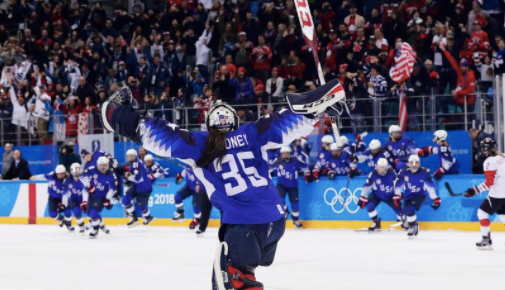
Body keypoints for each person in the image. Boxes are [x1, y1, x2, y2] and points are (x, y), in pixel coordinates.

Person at [98, 81, 344, 289]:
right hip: (275, 222)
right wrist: (315, 110)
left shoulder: (199, 143)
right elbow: (286, 123)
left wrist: (120, 116)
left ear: (209, 124)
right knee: (233, 275)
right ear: (235, 121)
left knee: (236, 281)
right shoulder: (252, 133)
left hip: (244, 225)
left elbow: (159, 135)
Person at [464, 138, 505, 250]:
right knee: (504, 215)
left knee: (481, 213)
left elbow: (489, 183)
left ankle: (486, 239)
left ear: (484, 149)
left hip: (497, 194)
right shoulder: (504, 156)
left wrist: (475, 190)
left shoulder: (489, 161)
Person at [394, 155, 441, 239]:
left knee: (410, 210)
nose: (414, 165)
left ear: (419, 163)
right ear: (408, 163)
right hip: (408, 195)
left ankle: (411, 226)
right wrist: (397, 195)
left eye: (417, 163)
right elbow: (397, 185)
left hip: (420, 195)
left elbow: (430, 187)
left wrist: (435, 198)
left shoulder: (424, 173)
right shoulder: (403, 172)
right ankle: (415, 224)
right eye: (412, 163)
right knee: (407, 212)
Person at [358, 158, 404, 231]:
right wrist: (362, 196)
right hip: (376, 195)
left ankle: (402, 222)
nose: (381, 169)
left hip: (390, 195)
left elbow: (397, 185)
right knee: (369, 207)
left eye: (382, 167)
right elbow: (366, 186)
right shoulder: (373, 173)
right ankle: (376, 222)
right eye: (380, 167)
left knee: (400, 212)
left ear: (386, 167)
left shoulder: (392, 173)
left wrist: (398, 195)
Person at [269, 146, 308, 229]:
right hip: (281, 185)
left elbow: (305, 167)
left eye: (287, 153)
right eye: (284, 153)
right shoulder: (278, 161)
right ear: (281, 154)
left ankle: (296, 221)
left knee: (295, 204)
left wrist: (307, 172)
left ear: (290, 154)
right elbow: (269, 168)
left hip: (293, 186)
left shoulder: (295, 161)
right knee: (279, 199)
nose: (285, 155)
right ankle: (286, 211)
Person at [30, 165, 74, 231]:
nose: (60, 175)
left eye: (62, 173)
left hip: (63, 198)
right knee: (52, 214)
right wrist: (35, 177)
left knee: (67, 212)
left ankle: (69, 225)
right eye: (59, 174)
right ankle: (62, 219)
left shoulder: (68, 180)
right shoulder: (52, 175)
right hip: (52, 198)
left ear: (65, 173)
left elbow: (66, 194)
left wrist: (63, 204)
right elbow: (44, 176)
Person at [80, 156, 116, 239]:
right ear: (97, 165)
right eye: (101, 165)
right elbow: (82, 176)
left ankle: (95, 229)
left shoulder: (111, 174)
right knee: (88, 214)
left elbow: (113, 189)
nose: (103, 167)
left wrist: (107, 198)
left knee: (93, 213)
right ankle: (102, 226)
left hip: (101, 197)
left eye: (104, 165)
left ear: (107, 165)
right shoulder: (92, 169)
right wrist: (88, 186)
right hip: (92, 196)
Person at [122, 149, 155, 227]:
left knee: (140, 205)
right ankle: (134, 218)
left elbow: (138, 179)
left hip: (144, 188)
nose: (129, 158)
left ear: (135, 156)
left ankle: (148, 217)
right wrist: (128, 177)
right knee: (125, 200)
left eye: (131, 156)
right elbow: (133, 176)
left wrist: (128, 178)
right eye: (128, 157)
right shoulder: (133, 163)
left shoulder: (137, 164)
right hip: (137, 186)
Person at [62, 163, 87, 233]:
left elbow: (85, 192)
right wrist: (64, 203)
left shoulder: (84, 179)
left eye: (78, 169)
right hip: (73, 199)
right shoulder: (67, 180)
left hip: (83, 199)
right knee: (77, 212)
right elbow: (64, 193)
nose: (76, 171)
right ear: (71, 170)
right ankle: (81, 226)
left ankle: (96, 225)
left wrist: (85, 201)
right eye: (75, 170)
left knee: (90, 212)